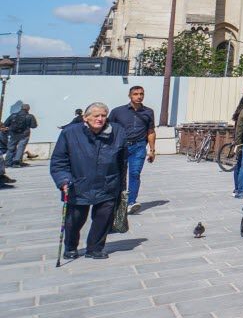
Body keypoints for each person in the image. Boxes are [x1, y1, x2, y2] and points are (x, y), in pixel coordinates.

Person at [50, 102, 127, 260]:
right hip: (78, 185)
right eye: (96, 115)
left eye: (104, 115)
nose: (100, 119)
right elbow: (59, 161)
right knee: (74, 220)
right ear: (85, 118)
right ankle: (70, 247)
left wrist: (121, 185)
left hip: (108, 183)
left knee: (103, 219)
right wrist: (63, 179)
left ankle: (95, 248)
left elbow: (122, 160)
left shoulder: (118, 132)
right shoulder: (70, 133)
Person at [108, 87, 158, 214]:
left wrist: (152, 150)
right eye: (135, 94)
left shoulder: (148, 112)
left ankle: (131, 202)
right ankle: (118, 201)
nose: (139, 96)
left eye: (141, 94)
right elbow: (108, 129)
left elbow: (151, 131)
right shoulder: (117, 112)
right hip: (121, 147)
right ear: (130, 95)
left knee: (135, 173)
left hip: (139, 146)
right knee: (119, 174)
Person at [4, 103, 38, 169]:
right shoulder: (30, 116)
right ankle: (16, 162)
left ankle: (7, 163)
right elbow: (34, 126)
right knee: (21, 147)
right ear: (28, 109)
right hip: (24, 134)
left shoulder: (13, 115)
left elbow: (6, 124)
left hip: (13, 134)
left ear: (21, 108)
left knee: (11, 148)